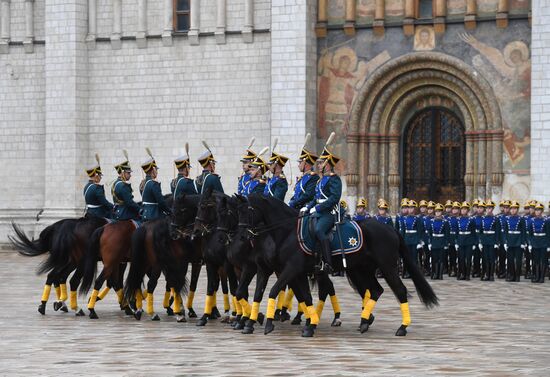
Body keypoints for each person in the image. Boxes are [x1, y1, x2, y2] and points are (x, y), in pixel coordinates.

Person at [302, 135, 342, 273]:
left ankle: (328, 262)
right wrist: (308, 207)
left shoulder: (334, 179)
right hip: (318, 212)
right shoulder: (320, 181)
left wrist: (317, 207)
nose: (318, 165)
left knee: (319, 230)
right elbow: (315, 197)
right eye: (318, 163)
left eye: (321, 163)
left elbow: (334, 198)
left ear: (328, 164)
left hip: (329, 213)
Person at [139, 149, 171, 222]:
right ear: (153, 170)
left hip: (145, 214)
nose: (157, 172)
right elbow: (161, 201)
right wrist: (169, 211)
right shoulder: (154, 184)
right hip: (154, 215)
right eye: (156, 169)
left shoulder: (142, 183)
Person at [288, 142, 319, 210]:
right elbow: (296, 194)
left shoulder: (314, 177)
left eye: (300, 162)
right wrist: (291, 201)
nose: (298, 165)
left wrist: (295, 203)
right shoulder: (301, 178)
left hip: (305, 207)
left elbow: (308, 195)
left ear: (306, 164)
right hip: (297, 206)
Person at [112, 150, 141, 221]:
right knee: (140, 223)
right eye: (128, 173)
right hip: (125, 213)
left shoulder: (115, 183)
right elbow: (129, 202)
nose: (130, 175)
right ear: (122, 173)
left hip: (117, 211)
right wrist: (140, 209)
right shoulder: (123, 185)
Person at [398, 200, 424, 279]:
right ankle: (406, 272)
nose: (410, 209)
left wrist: (419, 241)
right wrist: (401, 241)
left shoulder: (417, 219)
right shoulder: (404, 219)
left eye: (412, 208)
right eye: (409, 207)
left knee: (414, 257)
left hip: (414, 239)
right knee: (406, 257)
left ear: (414, 209)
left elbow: (420, 231)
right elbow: (402, 231)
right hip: (406, 239)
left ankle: (414, 273)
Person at [503, 200, 527, 282]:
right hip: (510, 241)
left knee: (518, 260)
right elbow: (505, 231)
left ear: (517, 210)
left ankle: (517, 276)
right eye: (512, 209)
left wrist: (523, 242)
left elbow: (523, 232)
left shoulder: (521, 219)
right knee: (510, 260)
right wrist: (505, 242)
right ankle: (512, 275)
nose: (513, 210)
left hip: (518, 241)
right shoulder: (507, 219)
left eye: (515, 209)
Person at [84, 154, 114, 219]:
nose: (100, 178)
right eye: (100, 176)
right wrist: (113, 206)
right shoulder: (97, 188)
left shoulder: (86, 186)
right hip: (98, 213)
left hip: (89, 212)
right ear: (96, 176)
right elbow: (104, 202)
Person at [478, 200, 501, 281]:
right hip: (485, 240)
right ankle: (486, 274)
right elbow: (480, 231)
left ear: (492, 209)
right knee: (485, 258)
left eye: (490, 208)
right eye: (487, 208)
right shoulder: (483, 219)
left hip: (492, 240)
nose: (488, 210)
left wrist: (496, 242)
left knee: (491, 258)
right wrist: (480, 242)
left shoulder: (495, 219)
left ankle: (491, 275)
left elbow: (497, 232)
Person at [527, 203, 549, 283]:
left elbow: (548, 234)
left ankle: (542, 277)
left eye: (539, 210)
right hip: (535, 242)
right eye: (536, 210)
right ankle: (537, 276)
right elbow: (530, 233)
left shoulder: (546, 221)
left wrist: (548, 245)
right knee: (536, 260)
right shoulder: (532, 221)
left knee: (543, 260)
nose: (537, 212)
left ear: (542, 211)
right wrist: (530, 243)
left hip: (543, 242)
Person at [427, 204, 451, 280]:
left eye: (439, 211)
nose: (437, 213)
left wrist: (446, 243)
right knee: (434, 258)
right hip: (434, 241)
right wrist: (430, 242)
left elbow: (447, 233)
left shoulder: (445, 222)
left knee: (441, 258)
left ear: (442, 212)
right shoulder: (431, 221)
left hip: (441, 242)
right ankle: (435, 274)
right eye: (436, 211)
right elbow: (430, 233)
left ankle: (440, 275)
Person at [456, 201, 476, 280]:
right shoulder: (458, 219)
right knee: (461, 258)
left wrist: (474, 243)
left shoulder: (471, 220)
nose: (463, 211)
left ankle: (467, 274)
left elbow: (473, 232)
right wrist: (457, 241)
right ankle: (462, 274)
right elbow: (457, 232)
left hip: (469, 241)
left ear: (467, 210)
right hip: (461, 240)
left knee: (468, 259)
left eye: (465, 209)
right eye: (462, 209)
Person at [496, 200, 511, 278]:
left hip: (510, 240)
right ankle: (501, 271)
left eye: (507, 208)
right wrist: (497, 241)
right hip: (501, 240)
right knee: (501, 257)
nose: (506, 209)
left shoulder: (512, 217)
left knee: (509, 258)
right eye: (504, 208)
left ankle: (508, 272)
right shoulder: (499, 217)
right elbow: (497, 230)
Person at [446, 201, 461, 277]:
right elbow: (447, 231)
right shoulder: (448, 219)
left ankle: (459, 270)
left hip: (458, 238)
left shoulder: (460, 219)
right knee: (452, 256)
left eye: (457, 209)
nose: (455, 210)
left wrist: (458, 240)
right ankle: (452, 269)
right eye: (454, 209)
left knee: (459, 256)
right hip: (451, 239)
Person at [472, 200, 486, 278]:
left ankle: (483, 271)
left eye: (481, 208)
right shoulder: (473, 218)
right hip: (475, 238)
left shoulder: (485, 218)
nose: (479, 209)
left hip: (483, 238)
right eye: (478, 208)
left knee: (483, 256)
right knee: (476, 256)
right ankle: (476, 270)